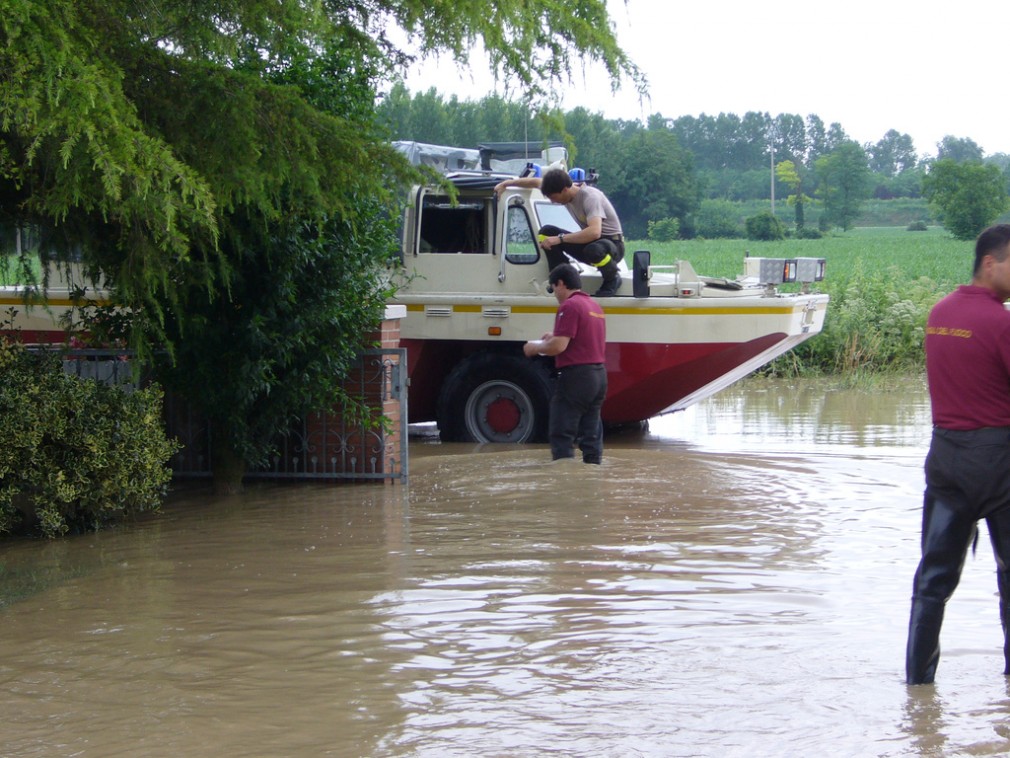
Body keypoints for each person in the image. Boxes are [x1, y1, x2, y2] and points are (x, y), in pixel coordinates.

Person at [906, 223, 1010, 685]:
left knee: (932, 582)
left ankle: (917, 688)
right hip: (998, 461)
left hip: (945, 457)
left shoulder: (938, 313)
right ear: (991, 263)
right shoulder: (1002, 323)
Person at [523, 263, 608, 463]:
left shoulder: (569, 306)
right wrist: (554, 336)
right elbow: (581, 339)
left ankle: (563, 482)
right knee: (591, 433)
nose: (554, 294)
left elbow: (559, 347)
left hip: (577, 377)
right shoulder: (594, 306)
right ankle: (592, 473)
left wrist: (534, 348)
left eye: (553, 289)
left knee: (561, 432)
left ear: (561, 284)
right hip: (599, 376)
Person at [495, 167, 625, 297]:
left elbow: (594, 232)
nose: (552, 201)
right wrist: (506, 184)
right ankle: (562, 278)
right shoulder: (560, 188)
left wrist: (560, 239)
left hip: (612, 244)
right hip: (591, 243)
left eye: (553, 197)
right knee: (547, 232)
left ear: (564, 190)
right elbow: (535, 182)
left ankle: (612, 278)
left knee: (593, 249)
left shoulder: (590, 197)